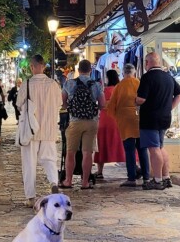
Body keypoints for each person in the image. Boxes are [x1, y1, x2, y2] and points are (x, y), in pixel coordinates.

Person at [135, 50, 180, 191]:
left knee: (154, 148)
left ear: (148, 62)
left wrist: (134, 101)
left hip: (150, 119)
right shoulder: (168, 77)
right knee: (161, 147)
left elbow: (141, 99)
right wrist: (169, 108)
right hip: (164, 118)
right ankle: (166, 177)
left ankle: (157, 181)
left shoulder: (147, 77)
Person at [17, 54, 62, 206]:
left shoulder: (27, 84)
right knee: (49, 159)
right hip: (49, 129)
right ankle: (53, 182)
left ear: (33, 66)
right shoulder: (53, 84)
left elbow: (19, 104)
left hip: (31, 130)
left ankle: (30, 197)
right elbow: (59, 104)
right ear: (43, 66)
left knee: (29, 163)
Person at [60, 58, 105, 189]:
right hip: (91, 122)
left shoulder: (69, 83)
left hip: (74, 121)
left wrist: (70, 107)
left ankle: (68, 181)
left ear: (78, 70)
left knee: (70, 152)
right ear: (90, 71)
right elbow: (102, 104)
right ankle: (85, 182)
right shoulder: (96, 85)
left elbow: (63, 101)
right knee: (87, 153)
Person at [107, 63, 149, 187]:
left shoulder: (119, 86)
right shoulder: (140, 83)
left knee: (129, 150)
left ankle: (131, 178)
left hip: (125, 121)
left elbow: (111, 106)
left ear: (123, 73)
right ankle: (146, 177)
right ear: (134, 72)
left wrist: (117, 117)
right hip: (140, 119)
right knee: (142, 149)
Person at [94, 69, 125, 181]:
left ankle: (100, 171)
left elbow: (100, 105)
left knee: (102, 144)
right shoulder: (120, 89)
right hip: (118, 120)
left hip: (105, 120)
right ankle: (133, 168)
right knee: (122, 144)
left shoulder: (104, 91)